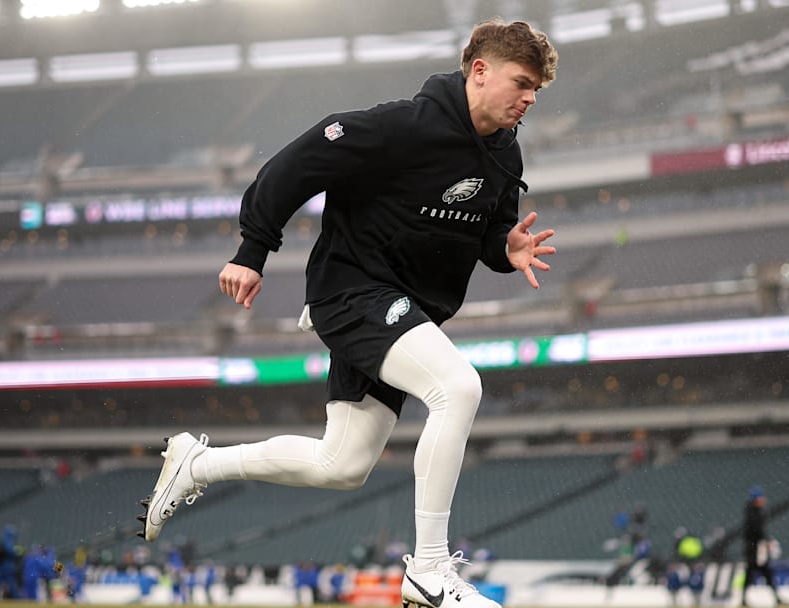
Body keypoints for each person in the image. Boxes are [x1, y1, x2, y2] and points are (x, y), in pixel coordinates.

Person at [138, 17, 558, 608]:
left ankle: (197, 464)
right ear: (479, 70)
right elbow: (297, 164)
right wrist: (252, 249)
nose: (530, 98)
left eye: (537, 89)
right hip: (352, 290)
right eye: (522, 82)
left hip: (403, 310)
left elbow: (487, 231)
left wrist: (504, 249)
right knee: (457, 388)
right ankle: (430, 569)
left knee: (343, 464)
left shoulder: (504, 153)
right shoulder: (402, 125)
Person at [742, 486, 783, 606]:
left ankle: (776, 597)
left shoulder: (752, 512)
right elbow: (756, 531)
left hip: (754, 548)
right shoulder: (753, 513)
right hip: (755, 549)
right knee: (759, 572)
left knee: (760, 573)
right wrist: (765, 541)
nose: (763, 499)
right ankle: (744, 599)